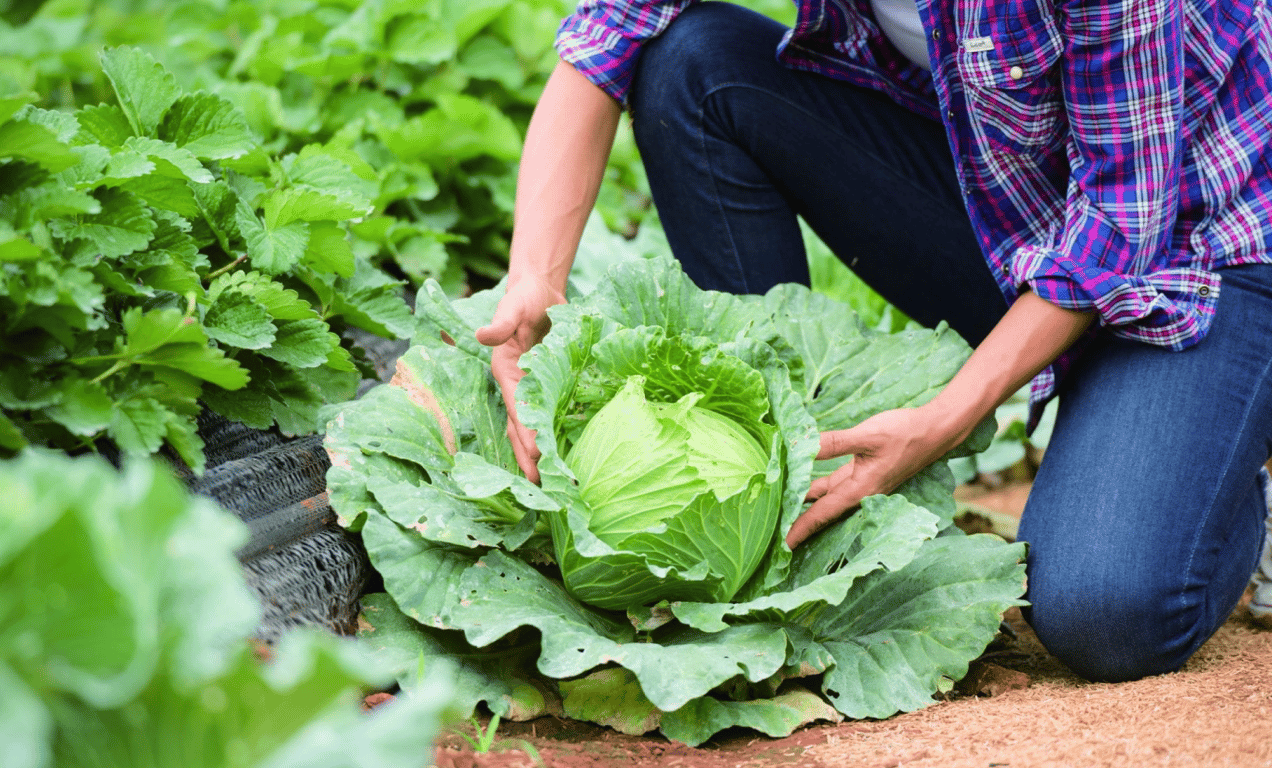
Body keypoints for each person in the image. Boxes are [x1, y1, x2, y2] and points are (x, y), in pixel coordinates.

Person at [474, 0, 1272, 682]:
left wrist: (945, 419)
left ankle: (1229, 447)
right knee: (694, 66)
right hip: (1013, 203)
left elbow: (1120, 225)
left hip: (1203, 244)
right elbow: (609, 33)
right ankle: (782, 500)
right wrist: (535, 282)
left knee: (1105, 612)